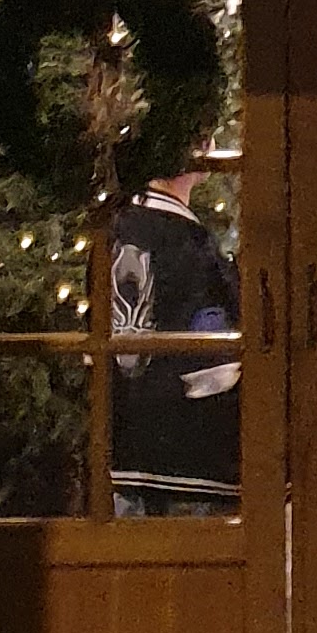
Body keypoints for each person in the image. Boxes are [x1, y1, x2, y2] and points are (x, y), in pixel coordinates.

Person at [108, 170, 242, 514]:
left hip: (121, 436)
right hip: (189, 450)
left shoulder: (115, 225)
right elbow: (214, 362)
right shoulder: (188, 240)